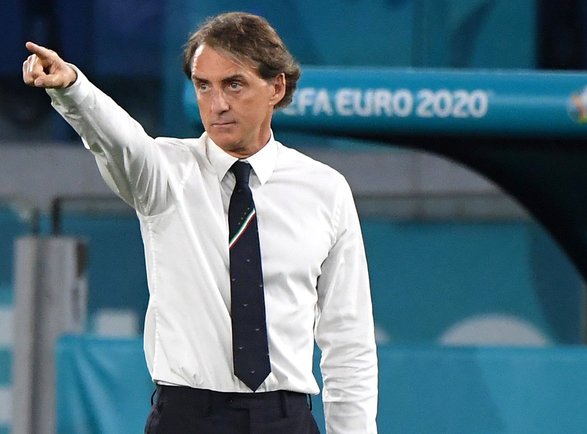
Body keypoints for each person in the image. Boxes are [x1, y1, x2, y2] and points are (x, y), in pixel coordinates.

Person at [23, 11, 377, 434]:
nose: (217, 104)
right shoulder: (164, 173)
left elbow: (348, 339)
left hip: (286, 419)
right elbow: (118, 141)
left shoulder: (325, 190)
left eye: (234, 84)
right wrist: (72, 90)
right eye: (203, 85)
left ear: (276, 88)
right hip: (186, 418)